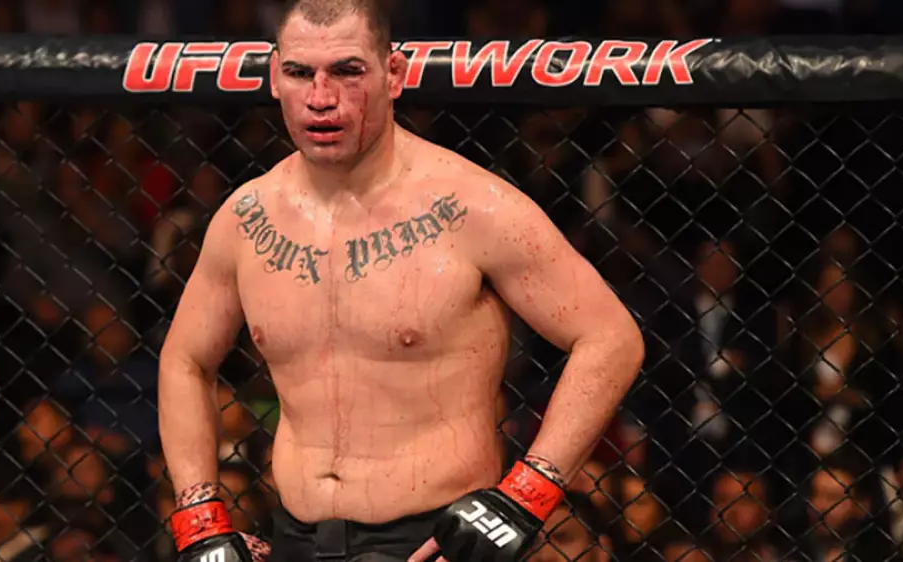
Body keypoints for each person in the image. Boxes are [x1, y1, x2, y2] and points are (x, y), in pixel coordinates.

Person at [157, 2, 645, 562]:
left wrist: (526, 495)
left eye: (347, 71)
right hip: (294, 538)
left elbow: (610, 337)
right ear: (274, 78)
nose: (321, 97)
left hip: (433, 541)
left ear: (394, 74)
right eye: (299, 72)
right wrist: (199, 519)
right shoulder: (247, 219)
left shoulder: (473, 207)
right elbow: (185, 360)